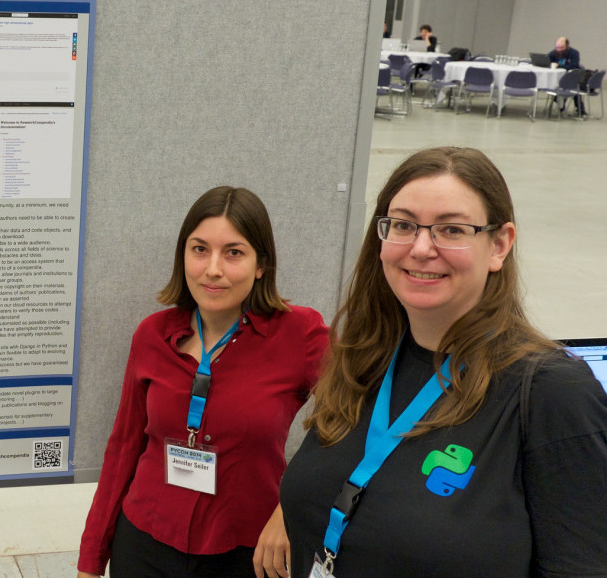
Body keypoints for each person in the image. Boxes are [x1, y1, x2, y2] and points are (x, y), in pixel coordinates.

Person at [279, 147, 607, 578]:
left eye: (451, 229)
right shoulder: (363, 358)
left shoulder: (552, 392)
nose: (420, 248)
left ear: (499, 244)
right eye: (403, 225)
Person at [77, 186, 329, 578]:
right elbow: (124, 447)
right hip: (145, 541)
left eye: (233, 252)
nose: (213, 268)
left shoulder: (300, 334)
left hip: (248, 550)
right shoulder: (152, 335)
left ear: (261, 264)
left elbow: (353, 423)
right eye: (199, 249)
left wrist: (289, 510)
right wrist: (90, 562)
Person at [547, 37, 586, 115]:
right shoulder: (554, 53)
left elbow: (574, 65)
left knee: (575, 88)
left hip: (571, 77)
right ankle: (559, 103)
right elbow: (546, 61)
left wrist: (559, 66)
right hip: (557, 78)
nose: (560, 49)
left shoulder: (574, 53)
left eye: (562, 47)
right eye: (557, 47)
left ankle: (580, 109)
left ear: (567, 46)